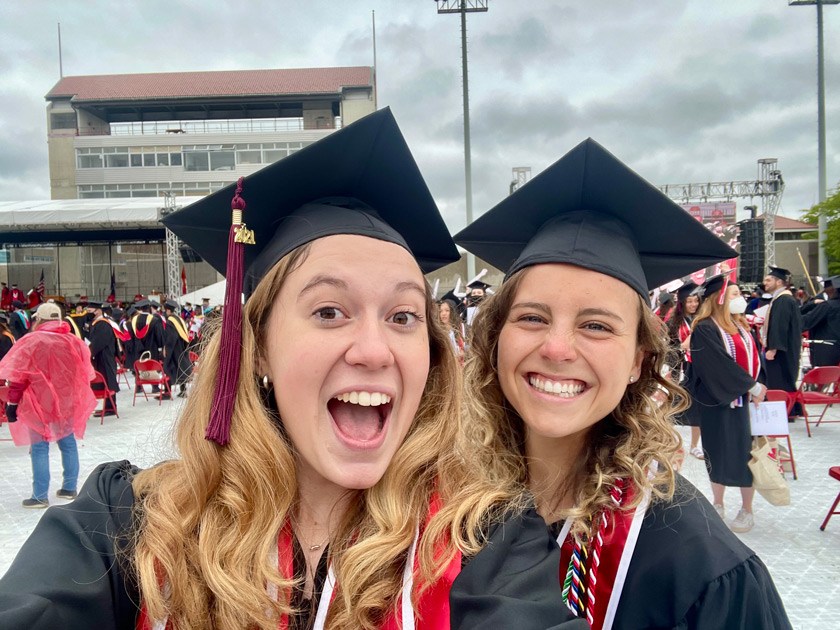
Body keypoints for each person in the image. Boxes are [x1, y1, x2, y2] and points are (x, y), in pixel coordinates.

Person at [0, 109, 582, 630]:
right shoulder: (128, 523)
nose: (375, 351)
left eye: (404, 315)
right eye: (330, 311)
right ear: (255, 347)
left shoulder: (488, 541)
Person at [455, 138, 790, 629]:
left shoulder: (703, 568)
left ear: (639, 359)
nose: (557, 349)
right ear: (495, 337)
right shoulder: (447, 503)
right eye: (531, 317)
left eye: (596, 325)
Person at [686, 276, 766, 534]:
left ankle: (747, 509)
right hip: (716, 402)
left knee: (746, 453)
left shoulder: (742, 327)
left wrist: (758, 386)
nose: (739, 298)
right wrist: (750, 386)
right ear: (719, 300)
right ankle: (718, 503)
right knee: (717, 451)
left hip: (744, 404)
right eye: (733, 294)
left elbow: (754, 361)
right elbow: (716, 365)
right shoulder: (705, 329)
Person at [0, 302, 96, 508]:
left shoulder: (31, 341)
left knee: (39, 447)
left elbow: (19, 376)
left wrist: (13, 402)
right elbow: (83, 373)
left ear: (39, 320)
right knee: (68, 442)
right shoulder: (73, 341)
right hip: (67, 401)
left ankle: (40, 495)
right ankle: (70, 487)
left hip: (38, 403)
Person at [666, 281, 703, 459]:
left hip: (698, 370)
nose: (693, 304)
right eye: (689, 301)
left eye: (696, 300)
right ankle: (670, 443)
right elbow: (667, 349)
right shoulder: (673, 322)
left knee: (698, 408)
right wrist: (683, 346)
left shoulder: (703, 319)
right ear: (682, 302)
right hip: (680, 370)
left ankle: (695, 445)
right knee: (672, 407)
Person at [760, 267, 803, 420]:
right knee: (784, 378)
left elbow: (780, 325)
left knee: (780, 379)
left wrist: (773, 348)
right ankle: (793, 409)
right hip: (786, 347)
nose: (765, 283)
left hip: (781, 350)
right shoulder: (783, 298)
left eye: (768, 280)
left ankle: (787, 410)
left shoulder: (784, 299)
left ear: (779, 282)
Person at [87, 301, 120, 417]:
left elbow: (98, 342)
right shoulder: (96, 323)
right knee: (106, 380)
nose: (88, 313)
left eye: (90, 311)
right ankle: (108, 407)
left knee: (108, 380)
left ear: (98, 311)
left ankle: (111, 408)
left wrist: (89, 352)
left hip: (105, 357)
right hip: (101, 357)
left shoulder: (103, 324)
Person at [801, 275, 840, 367]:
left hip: (826, 351)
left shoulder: (827, 306)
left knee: (825, 378)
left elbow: (806, 322)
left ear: (833, 290)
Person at [162, 299, 193, 397]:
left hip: (174, 348)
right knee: (181, 366)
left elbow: (172, 337)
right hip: (181, 346)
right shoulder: (179, 319)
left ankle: (167, 392)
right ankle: (183, 390)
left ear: (168, 310)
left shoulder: (170, 321)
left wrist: (167, 348)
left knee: (168, 366)